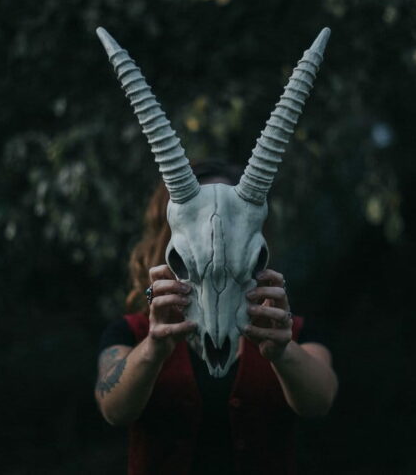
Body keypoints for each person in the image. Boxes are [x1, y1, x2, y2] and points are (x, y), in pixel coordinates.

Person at [95, 160, 338, 475]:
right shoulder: (131, 332)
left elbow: (319, 402)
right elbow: (114, 410)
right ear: (168, 234)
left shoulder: (290, 330)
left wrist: (281, 351)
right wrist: (153, 349)